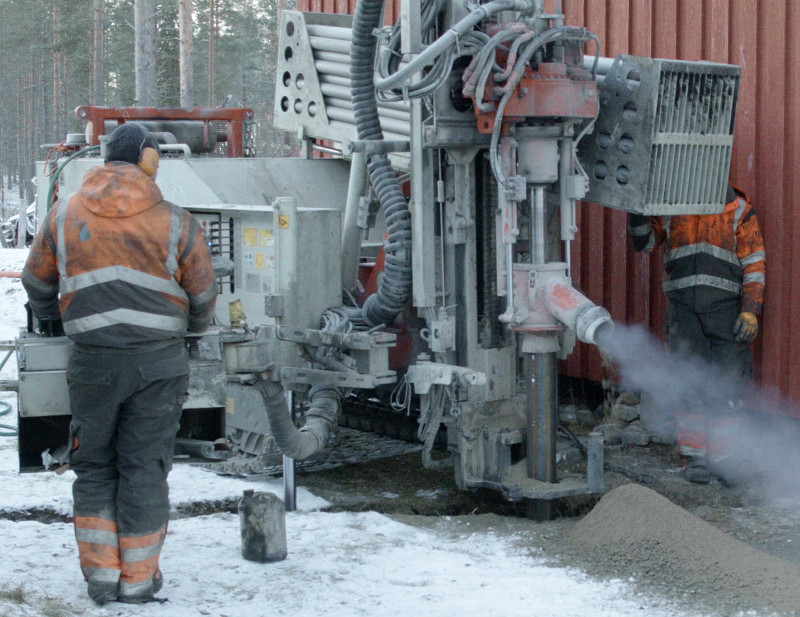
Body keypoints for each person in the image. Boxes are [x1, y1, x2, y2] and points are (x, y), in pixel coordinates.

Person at [22, 123, 216, 604]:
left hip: (92, 365)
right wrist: (188, 329)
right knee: (145, 469)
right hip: (158, 366)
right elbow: (204, 296)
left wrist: (55, 319)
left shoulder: (63, 214)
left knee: (94, 468)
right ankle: (138, 581)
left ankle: (102, 580)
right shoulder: (176, 221)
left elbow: (36, 283)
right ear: (148, 159)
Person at [628, 183, 766, 484]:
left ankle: (725, 460)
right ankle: (696, 459)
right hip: (683, 312)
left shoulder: (738, 208)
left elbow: (754, 262)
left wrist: (750, 309)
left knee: (727, 388)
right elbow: (646, 244)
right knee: (689, 385)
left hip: (727, 312)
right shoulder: (670, 203)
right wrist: (635, 207)